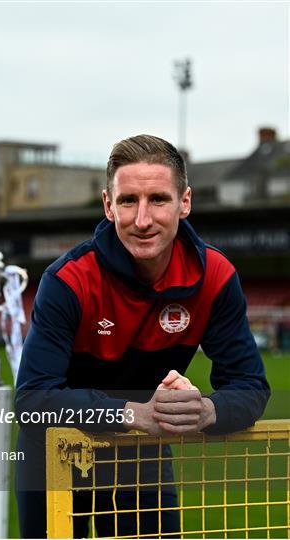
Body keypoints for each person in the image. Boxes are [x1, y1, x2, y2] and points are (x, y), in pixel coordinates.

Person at [14, 134, 270, 538]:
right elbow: (31, 401)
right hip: (55, 457)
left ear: (184, 202)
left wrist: (202, 411)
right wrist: (135, 414)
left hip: (142, 460)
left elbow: (251, 386)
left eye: (159, 199)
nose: (143, 219)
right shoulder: (68, 280)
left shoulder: (216, 278)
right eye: (129, 200)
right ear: (108, 205)